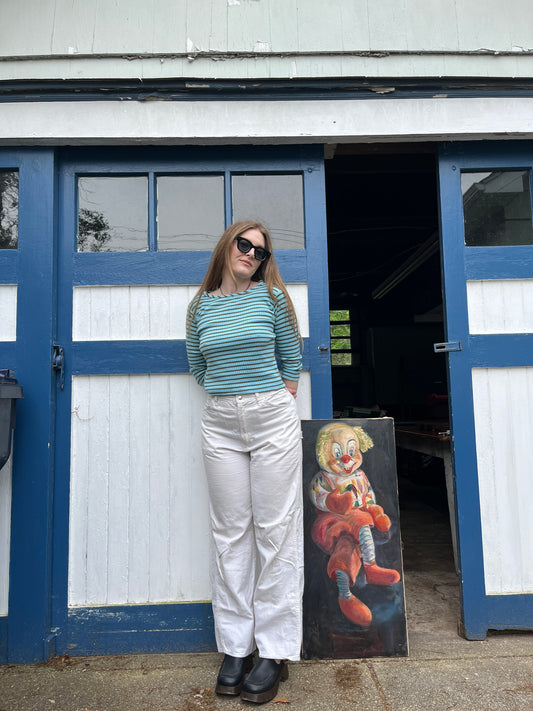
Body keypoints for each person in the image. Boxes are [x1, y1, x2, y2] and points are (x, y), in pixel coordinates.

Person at [186, 220, 304, 704]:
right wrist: (231, 399)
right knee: (230, 532)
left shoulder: (272, 298)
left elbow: (290, 357)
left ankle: (274, 651)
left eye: (260, 250)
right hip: (220, 422)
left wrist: (278, 397)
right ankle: (236, 647)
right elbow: (198, 365)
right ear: (227, 244)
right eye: (244, 244)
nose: (252, 254)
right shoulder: (199, 307)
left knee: (275, 532)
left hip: (270, 416)